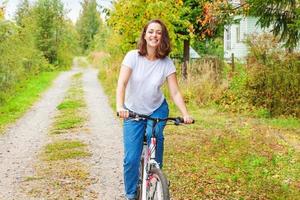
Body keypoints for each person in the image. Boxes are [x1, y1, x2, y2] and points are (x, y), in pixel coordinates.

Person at [116, 19, 193, 200]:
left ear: (162, 37)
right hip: (133, 111)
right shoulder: (132, 56)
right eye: (151, 31)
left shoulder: (166, 63)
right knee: (131, 159)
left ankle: (155, 172)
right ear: (145, 35)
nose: (154, 35)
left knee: (154, 133)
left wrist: (185, 113)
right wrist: (120, 106)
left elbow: (174, 92)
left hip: (156, 109)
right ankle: (130, 195)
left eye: (158, 32)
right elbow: (122, 83)